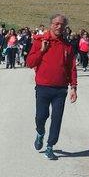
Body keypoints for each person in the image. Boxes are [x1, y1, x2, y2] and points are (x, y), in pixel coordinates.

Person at [26, 14, 78, 160]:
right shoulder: (40, 41)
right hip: (43, 87)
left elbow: (71, 68)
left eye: (62, 24)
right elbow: (30, 62)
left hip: (60, 89)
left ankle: (50, 146)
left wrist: (73, 87)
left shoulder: (67, 46)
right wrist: (42, 50)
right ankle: (40, 132)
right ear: (51, 24)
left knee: (57, 118)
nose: (59, 26)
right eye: (56, 23)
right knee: (41, 116)